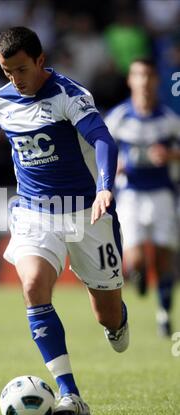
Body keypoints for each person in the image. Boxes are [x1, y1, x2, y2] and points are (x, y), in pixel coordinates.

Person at [0, 26, 129, 415]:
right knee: (33, 285)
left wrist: (106, 187)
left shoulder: (70, 96)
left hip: (87, 211)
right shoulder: (1, 100)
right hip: (35, 212)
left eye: (21, 69)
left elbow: (104, 139)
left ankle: (118, 322)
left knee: (108, 314)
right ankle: (70, 393)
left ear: (40, 61)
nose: (15, 80)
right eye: (7, 72)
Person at [105, 58, 180, 337]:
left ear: (156, 80)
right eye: (138, 75)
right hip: (131, 196)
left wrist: (171, 155)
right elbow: (98, 149)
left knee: (164, 259)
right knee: (135, 260)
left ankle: (164, 315)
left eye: (149, 75)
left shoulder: (169, 121)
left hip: (162, 195)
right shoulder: (119, 117)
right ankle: (138, 275)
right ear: (130, 81)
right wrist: (113, 165)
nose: (144, 81)